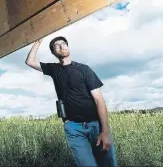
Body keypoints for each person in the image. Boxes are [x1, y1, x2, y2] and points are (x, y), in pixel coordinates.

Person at [25, 36, 118, 167]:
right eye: (56, 46)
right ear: (53, 52)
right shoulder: (53, 69)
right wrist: (38, 41)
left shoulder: (84, 69)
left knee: (108, 164)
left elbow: (99, 100)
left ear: (68, 47)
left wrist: (105, 131)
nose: (61, 46)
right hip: (73, 128)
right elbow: (30, 61)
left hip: (95, 125)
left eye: (63, 43)